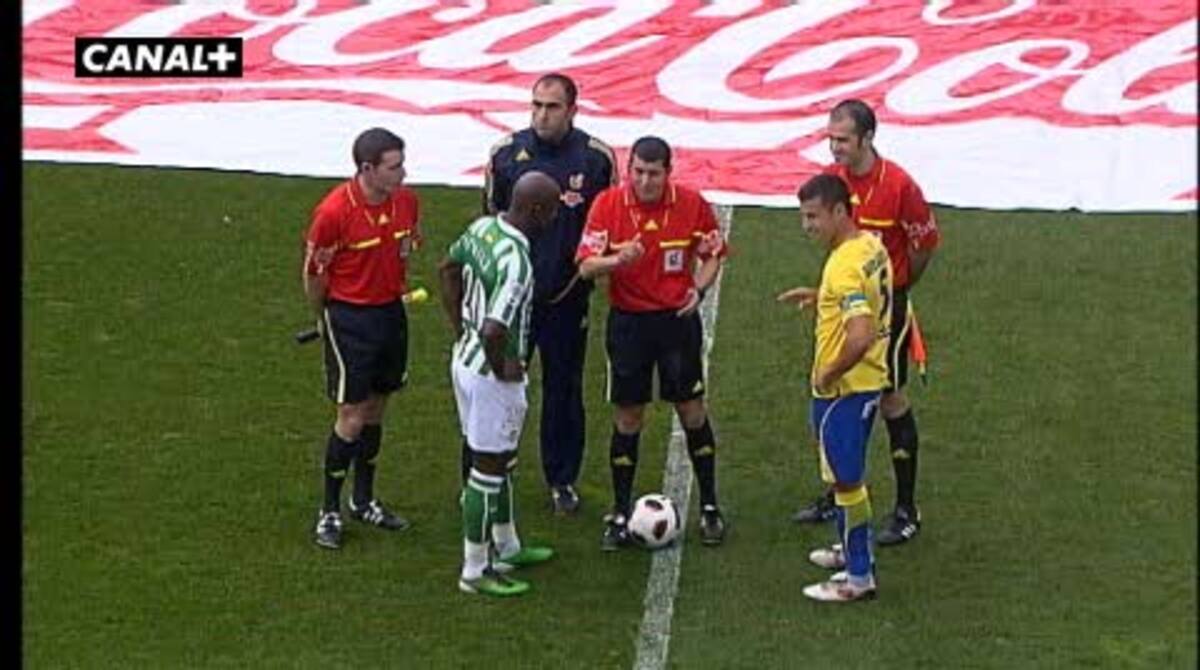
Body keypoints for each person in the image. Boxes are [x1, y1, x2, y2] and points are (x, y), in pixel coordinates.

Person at [792, 99, 941, 547]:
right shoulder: (832, 182)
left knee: (890, 399)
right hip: (846, 306)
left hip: (884, 311)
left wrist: (895, 289)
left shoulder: (898, 185)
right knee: (839, 399)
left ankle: (906, 509)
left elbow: (923, 244)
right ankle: (840, 492)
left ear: (868, 138)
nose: (835, 147)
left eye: (843, 139)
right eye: (831, 139)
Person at [575, 136, 729, 550]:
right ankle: (620, 511)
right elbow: (586, 266)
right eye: (638, 173)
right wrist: (617, 260)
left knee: (691, 410)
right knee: (629, 416)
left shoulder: (691, 205)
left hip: (677, 323)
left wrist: (699, 289)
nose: (645, 182)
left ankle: (710, 506)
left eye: (654, 174)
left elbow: (714, 253)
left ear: (668, 172)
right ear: (629, 171)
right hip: (629, 325)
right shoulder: (608, 205)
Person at [483, 72, 618, 515]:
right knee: (498, 385)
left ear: (573, 110)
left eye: (552, 107)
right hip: (512, 301)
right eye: (536, 105)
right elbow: (491, 225)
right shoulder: (505, 155)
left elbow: (607, 223)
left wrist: (590, 276)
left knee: (563, 389)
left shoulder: (596, 159)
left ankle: (562, 478)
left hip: (566, 297)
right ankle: (486, 472)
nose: (542, 115)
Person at [439, 171, 562, 597]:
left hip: (464, 359)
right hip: (489, 377)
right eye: (553, 210)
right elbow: (495, 329)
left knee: (502, 459)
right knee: (488, 467)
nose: (555, 218)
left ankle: (507, 547)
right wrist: (502, 366)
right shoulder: (517, 263)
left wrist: (459, 328)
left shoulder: (482, 227)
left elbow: (447, 268)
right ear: (536, 210)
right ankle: (475, 569)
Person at [303, 127, 420, 550]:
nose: (403, 174)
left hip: (390, 314)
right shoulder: (334, 213)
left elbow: (403, 251)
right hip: (350, 319)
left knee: (377, 407)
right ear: (367, 169)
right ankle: (329, 510)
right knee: (351, 413)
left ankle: (364, 499)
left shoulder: (406, 201)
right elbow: (314, 276)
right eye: (394, 167)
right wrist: (324, 317)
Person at [778, 173, 892, 602]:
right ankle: (850, 549)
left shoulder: (843, 265)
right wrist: (823, 296)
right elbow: (869, 298)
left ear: (840, 211)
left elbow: (860, 334)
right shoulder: (870, 245)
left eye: (813, 216)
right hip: (869, 382)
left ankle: (859, 577)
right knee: (847, 475)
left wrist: (828, 373)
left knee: (847, 481)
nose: (806, 226)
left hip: (845, 390)